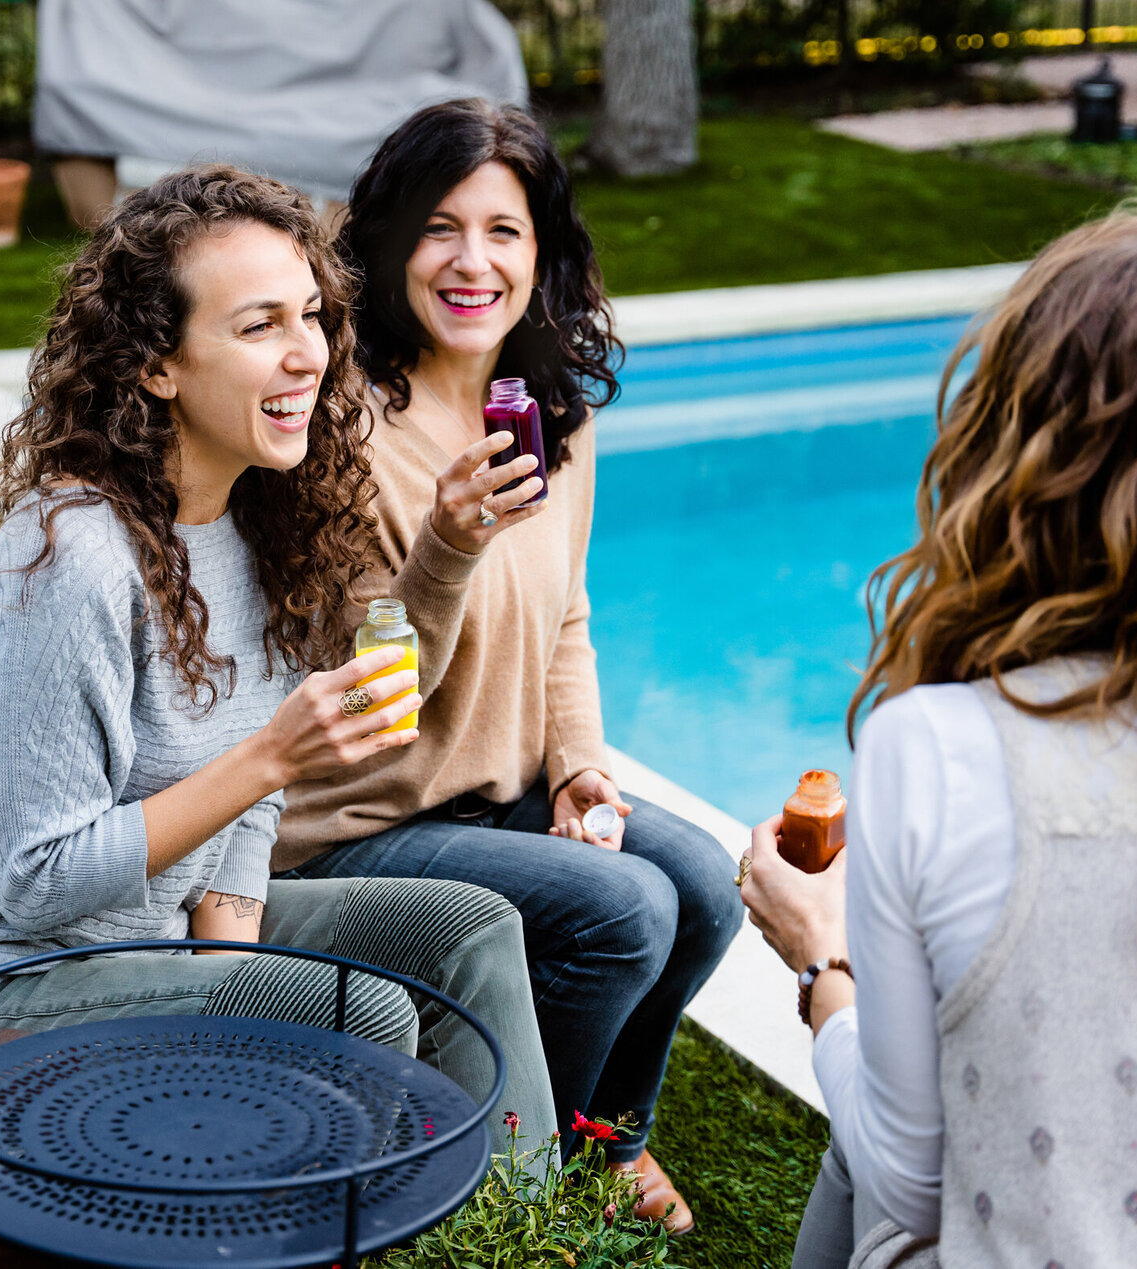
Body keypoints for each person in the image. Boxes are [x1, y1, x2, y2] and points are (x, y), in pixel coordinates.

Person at [0, 164, 556, 1164]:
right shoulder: (72, 557)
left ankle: (529, 1234)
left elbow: (246, 814)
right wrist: (270, 761)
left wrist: (226, 963)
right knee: (354, 1013)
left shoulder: (262, 523)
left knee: (473, 931)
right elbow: (35, 883)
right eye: (258, 325)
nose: (307, 354)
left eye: (310, 315)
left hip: (143, 945)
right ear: (155, 366)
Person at [740, 206, 1137, 1268]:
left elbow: (910, 1177)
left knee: (871, 1169)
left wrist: (817, 960)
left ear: (1015, 455)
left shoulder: (937, 749)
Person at [272, 99, 741, 1232]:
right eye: (439, 227)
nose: (471, 260)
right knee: (625, 910)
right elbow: (367, 702)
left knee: (707, 889)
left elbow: (565, 615)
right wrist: (448, 547)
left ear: (545, 253)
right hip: (357, 821)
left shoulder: (551, 419)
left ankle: (605, 1142)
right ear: (386, 245)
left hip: (498, 792)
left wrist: (580, 768)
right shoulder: (340, 430)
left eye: (504, 230)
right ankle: (495, 1174)